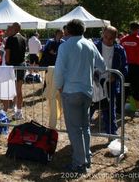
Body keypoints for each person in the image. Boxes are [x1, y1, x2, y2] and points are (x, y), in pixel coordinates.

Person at [54, 19, 106, 173]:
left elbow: (59, 69)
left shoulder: (65, 46)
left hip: (71, 91)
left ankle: (79, 163)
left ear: (68, 31)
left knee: (75, 129)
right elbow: (102, 65)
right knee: (84, 127)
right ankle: (86, 158)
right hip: (87, 91)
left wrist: (59, 86)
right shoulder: (90, 45)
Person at [92, 26, 127, 135]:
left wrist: (115, 76)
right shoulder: (94, 46)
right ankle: (81, 133)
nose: (107, 40)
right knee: (90, 107)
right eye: (106, 36)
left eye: (111, 38)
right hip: (94, 83)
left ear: (115, 37)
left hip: (110, 84)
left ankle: (112, 133)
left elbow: (124, 66)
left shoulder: (119, 49)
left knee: (110, 109)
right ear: (102, 34)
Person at [120, 21, 139, 117]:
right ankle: (138, 109)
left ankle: (120, 109)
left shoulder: (123, 40)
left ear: (130, 28)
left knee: (124, 87)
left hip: (125, 68)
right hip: (137, 68)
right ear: (138, 29)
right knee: (137, 88)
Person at [5, 22, 26, 120]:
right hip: (22, 65)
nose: (10, 30)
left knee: (13, 89)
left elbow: (7, 54)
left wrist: (7, 62)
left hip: (13, 66)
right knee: (19, 90)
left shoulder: (11, 39)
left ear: (15, 29)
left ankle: (13, 108)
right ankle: (18, 111)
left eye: (12, 28)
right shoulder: (23, 38)